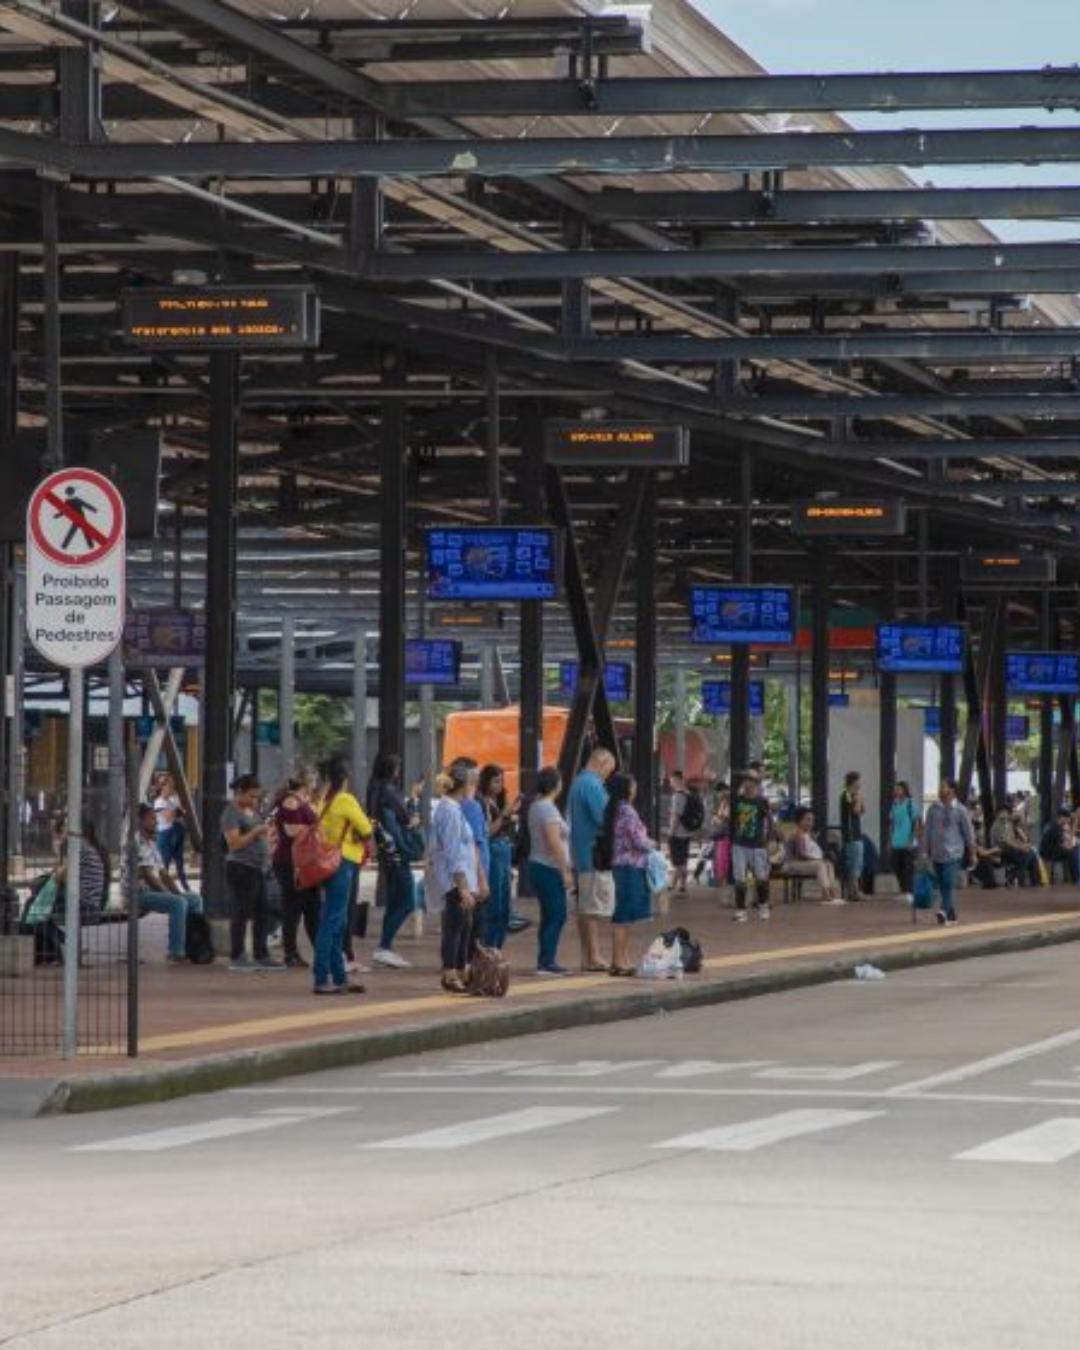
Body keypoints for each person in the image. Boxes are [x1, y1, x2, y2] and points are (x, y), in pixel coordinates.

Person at [312, 756, 372, 995]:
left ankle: (339, 976)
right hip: (344, 861)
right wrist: (361, 833)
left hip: (328, 863)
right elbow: (366, 829)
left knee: (338, 920)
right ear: (345, 778)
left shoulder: (324, 801)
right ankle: (321, 977)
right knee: (332, 921)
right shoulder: (345, 799)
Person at [222, 774, 283, 973]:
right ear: (240, 792)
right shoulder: (231, 814)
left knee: (262, 911)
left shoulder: (252, 811)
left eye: (257, 796)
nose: (254, 800)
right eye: (251, 796)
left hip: (257, 868)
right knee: (241, 912)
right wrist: (255, 832)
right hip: (241, 867)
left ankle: (261, 953)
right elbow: (234, 843)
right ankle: (237, 955)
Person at [428, 761, 480, 993]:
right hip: (454, 879)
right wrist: (462, 886)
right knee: (455, 926)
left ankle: (460, 970)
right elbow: (453, 852)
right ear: (464, 785)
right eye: (472, 783)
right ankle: (450, 973)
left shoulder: (451, 809)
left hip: (458, 877)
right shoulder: (449, 811)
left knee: (463, 925)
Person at [130, 803, 205, 962]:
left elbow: (164, 874)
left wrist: (178, 893)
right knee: (178, 903)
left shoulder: (151, 844)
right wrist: (171, 895)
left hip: (150, 891)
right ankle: (176, 951)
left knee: (195, 899)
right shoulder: (136, 842)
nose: (156, 822)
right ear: (140, 821)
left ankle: (192, 946)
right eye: (152, 819)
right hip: (137, 893)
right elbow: (148, 875)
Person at [366, 751, 420, 968]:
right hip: (398, 854)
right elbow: (407, 818)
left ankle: (385, 946)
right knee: (407, 902)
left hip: (386, 853)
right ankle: (383, 947)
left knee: (394, 902)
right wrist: (413, 805)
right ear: (392, 770)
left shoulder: (375, 790)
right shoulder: (389, 791)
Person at [567, 747, 616, 972]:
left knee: (585, 906)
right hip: (593, 853)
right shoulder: (592, 785)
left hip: (581, 852)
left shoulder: (578, 782)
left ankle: (587, 956)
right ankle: (594, 956)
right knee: (593, 909)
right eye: (609, 770)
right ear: (601, 763)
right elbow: (605, 818)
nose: (608, 775)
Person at [605, 772, 655, 976]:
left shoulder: (614, 808)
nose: (635, 790)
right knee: (623, 915)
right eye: (633, 786)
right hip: (629, 866)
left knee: (623, 915)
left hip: (621, 865)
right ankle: (618, 961)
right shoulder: (627, 811)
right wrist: (652, 844)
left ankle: (621, 958)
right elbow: (639, 841)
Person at [527, 765, 572, 976]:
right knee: (557, 914)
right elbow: (554, 842)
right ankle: (546, 962)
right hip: (548, 867)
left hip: (539, 864)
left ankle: (545, 959)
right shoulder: (548, 809)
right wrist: (565, 871)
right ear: (556, 785)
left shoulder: (536, 806)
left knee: (549, 915)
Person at [271, 774, 319, 968]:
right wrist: (315, 828)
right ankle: (290, 953)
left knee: (312, 906)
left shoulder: (301, 801)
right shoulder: (291, 802)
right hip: (291, 861)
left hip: (304, 862)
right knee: (294, 906)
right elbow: (291, 830)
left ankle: (321, 950)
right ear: (305, 782)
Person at [923, 779, 976, 925]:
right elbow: (927, 830)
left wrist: (972, 853)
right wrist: (924, 850)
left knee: (948, 881)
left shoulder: (960, 810)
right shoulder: (934, 808)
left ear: (952, 790)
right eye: (940, 787)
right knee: (942, 884)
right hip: (937, 852)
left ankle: (943, 910)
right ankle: (952, 915)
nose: (941, 790)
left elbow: (968, 832)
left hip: (953, 852)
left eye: (944, 787)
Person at [479, 764, 518, 952]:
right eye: (495, 781)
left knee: (504, 905)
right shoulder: (483, 802)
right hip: (494, 851)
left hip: (504, 850)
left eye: (501, 781)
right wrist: (504, 815)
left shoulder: (498, 800)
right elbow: (487, 833)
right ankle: (489, 947)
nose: (499, 785)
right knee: (494, 904)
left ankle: (497, 947)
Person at [730, 774, 773, 921]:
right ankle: (740, 911)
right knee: (739, 878)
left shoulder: (762, 802)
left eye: (750, 782)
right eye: (745, 781)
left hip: (757, 846)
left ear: (756, 784)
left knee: (761, 877)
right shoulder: (737, 800)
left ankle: (763, 907)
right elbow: (731, 820)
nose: (747, 784)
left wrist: (768, 841)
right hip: (739, 844)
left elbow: (769, 821)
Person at [783, 807, 842, 903]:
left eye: (812, 820)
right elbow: (801, 855)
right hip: (792, 864)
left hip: (804, 863)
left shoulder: (807, 834)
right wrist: (817, 860)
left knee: (829, 864)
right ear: (799, 821)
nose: (810, 823)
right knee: (820, 865)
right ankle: (825, 892)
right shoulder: (797, 834)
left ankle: (831, 890)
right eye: (807, 820)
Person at [153, 773, 189, 890]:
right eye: (169, 785)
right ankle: (163, 889)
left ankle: (185, 887)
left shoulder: (173, 799)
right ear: (162, 787)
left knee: (180, 863)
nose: (171, 788)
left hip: (177, 832)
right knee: (165, 863)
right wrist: (178, 812)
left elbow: (183, 813)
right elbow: (170, 816)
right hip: (165, 833)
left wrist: (178, 812)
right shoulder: (159, 802)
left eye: (172, 785)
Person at [989, 806, 1041, 887]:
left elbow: (1013, 840)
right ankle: (1019, 879)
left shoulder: (1008, 824)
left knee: (1032, 855)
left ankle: (1034, 881)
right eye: (1002, 812)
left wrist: (1024, 845)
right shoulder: (997, 825)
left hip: (1011, 850)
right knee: (1026, 856)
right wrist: (1021, 847)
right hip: (1001, 852)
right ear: (997, 814)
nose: (1004, 814)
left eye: (1006, 812)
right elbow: (1006, 841)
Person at [889, 781, 922, 901]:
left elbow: (916, 823)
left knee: (908, 868)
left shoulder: (910, 804)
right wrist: (890, 839)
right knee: (897, 867)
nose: (896, 791)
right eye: (895, 789)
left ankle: (909, 891)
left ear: (904, 790)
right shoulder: (894, 805)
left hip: (908, 842)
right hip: (896, 842)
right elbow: (892, 823)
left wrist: (912, 839)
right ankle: (903, 890)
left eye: (899, 789)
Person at [839, 771, 867, 901]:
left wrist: (860, 799)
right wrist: (858, 799)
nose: (860, 784)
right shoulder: (846, 794)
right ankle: (854, 892)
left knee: (858, 863)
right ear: (853, 782)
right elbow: (855, 810)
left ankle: (854, 891)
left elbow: (862, 811)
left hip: (857, 833)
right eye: (858, 781)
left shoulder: (854, 795)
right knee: (854, 864)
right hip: (851, 834)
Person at [667, 770, 692, 896]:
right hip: (687, 831)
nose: (671, 784)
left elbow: (676, 815)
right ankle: (683, 885)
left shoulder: (677, 796)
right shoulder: (688, 793)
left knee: (678, 861)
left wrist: (671, 832)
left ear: (678, 780)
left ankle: (672, 884)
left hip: (678, 833)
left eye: (672, 781)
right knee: (683, 859)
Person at [1040, 809, 1080, 884]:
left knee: (1074, 849)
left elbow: (1061, 841)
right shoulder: (1055, 827)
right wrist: (1068, 846)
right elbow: (1059, 845)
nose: (1068, 821)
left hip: (1052, 850)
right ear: (1062, 817)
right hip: (1049, 853)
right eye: (1067, 819)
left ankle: (1076, 878)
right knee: (1072, 852)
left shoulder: (1055, 825)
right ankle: (1076, 879)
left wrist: (1068, 844)